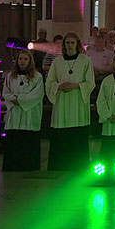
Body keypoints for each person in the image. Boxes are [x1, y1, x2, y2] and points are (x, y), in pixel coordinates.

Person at [45, 32, 95, 171]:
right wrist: (58, 86)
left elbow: (90, 82)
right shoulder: (57, 62)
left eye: (72, 43)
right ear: (64, 45)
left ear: (77, 44)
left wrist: (77, 86)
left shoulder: (85, 61)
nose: (70, 45)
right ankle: (59, 166)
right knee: (62, 137)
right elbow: (50, 82)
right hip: (62, 103)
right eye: (67, 43)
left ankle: (79, 166)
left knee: (77, 136)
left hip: (78, 102)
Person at [2, 50, 44, 171]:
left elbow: (37, 95)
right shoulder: (10, 76)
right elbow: (5, 92)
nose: (22, 61)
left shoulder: (37, 77)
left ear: (30, 61)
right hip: (14, 115)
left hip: (29, 115)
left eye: (25, 59)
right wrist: (12, 99)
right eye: (20, 59)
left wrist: (19, 99)